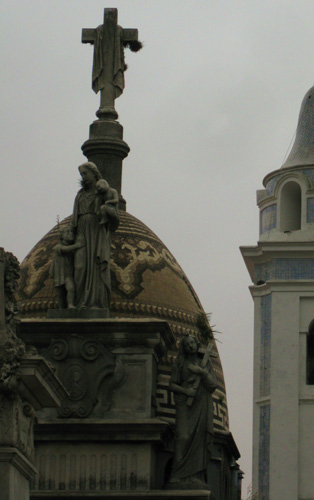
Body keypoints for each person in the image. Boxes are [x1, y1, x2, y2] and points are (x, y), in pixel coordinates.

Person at [168, 334, 217, 488]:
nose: (191, 345)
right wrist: (186, 391)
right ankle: (177, 475)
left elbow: (212, 386)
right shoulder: (180, 362)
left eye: (193, 342)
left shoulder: (205, 361)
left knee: (199, 438)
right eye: (187, 344)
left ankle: (195, 476)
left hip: (201, 403)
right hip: (185, 403)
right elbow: (172, 385)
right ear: (184, 347)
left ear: (197, 343)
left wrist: (202, 372)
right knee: (182, 437)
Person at [71, 161, 119, 310]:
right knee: (79, 266)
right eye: (81, 174)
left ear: (94, 173)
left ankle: (93, 302)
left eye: (86, 174)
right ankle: (78, 303)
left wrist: (105, 210)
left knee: (96, 266)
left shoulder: (104, 193)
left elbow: (115, 216)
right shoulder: (80, 194)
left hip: (97, 230)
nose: (83, 177)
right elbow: (75, 218)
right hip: (81, 230)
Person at [50, 225, 82, 309]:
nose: (70, 233)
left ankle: (70, 304)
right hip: (59, 275)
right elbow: (65, 249)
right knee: (59, 294)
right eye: (67, 232)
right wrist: (76, 246)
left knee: (70, 288)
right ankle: (61, 308)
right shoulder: (58, 247)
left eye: (71, 232)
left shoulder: (73, 250)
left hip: (68, 275)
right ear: (61, 236)